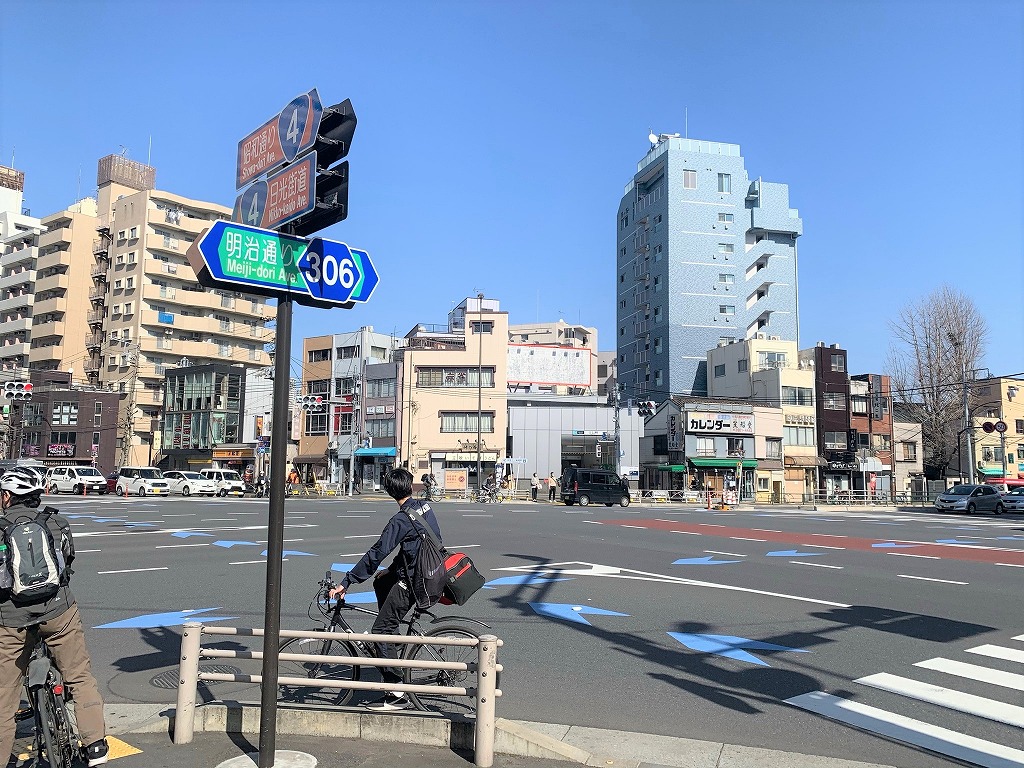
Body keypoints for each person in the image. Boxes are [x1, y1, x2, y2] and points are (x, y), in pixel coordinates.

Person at [0, 468, 109, 766]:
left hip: (11, 619)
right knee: (79, 675)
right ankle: (95, 744)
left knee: (4, 695)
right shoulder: (56, 522)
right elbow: (67, 563)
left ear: (7, 496)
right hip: (58, 611)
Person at [328, 468, 441, 711]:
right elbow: (417, 545)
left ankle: (396, 691)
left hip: (415, 581)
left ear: (390, 492)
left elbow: (377, 553)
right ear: (410, 487)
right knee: (380, 580)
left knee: (381, 628)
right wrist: (391, 571)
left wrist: (347, 581)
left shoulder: (400, 520)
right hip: (427, 572)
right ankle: (392, 643)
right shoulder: (423, 507)